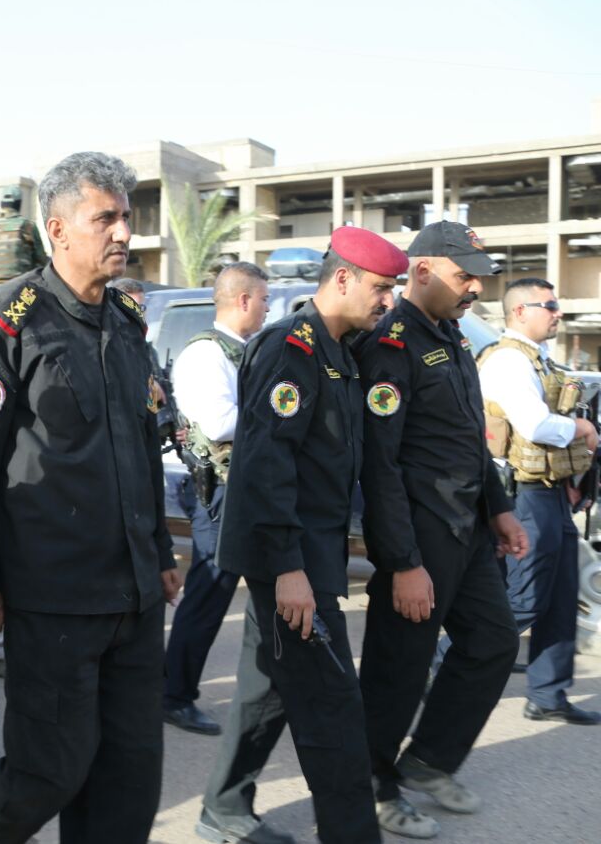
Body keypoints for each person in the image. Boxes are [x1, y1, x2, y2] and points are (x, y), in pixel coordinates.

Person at [0, 151, 181, 844]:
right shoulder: (11, 321)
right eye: (105, 218)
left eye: (126, 217)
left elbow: (141, 446)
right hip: (54, 592)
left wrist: (158, 551)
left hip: (132, 593)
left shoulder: (125, 320)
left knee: (131, 773)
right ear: (57, 229)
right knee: (50, 768)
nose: (122, 231)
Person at [200, 226, 403, 844]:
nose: (388, 300)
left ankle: (223, 808)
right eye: (381, 288)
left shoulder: (339, 350)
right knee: (334, 711)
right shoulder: (291, 348)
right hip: (290, 559)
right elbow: (265, 466)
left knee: (267, 687)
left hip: (310, 552)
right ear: (342, 278)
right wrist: (288, 569)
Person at [355, 221, 530, 839]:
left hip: (468, 526)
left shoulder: (451, 337)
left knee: (494, 643)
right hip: (420, 533)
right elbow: (380, 465)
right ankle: (372, 787)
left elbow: (469, 439)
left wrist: (499, 507)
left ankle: (428, 761)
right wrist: (403, 562)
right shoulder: (390, 344)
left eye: (479, 277)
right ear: (422, 270)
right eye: (464, 276)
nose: (475, 288)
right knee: (398, 670)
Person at [480, 276, 601, 725]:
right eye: (548, 306)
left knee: (561, 598)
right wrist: (582, 430)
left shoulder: (539, 359)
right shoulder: (509, 360)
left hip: (549, 491)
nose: (557, 313)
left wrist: (570, 477)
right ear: (519, 312)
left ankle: (548, 694)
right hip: (523, 495)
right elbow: (534, 425)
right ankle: (442, 661)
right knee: (525, 598)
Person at [162, 262, 270, 736]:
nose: (267, 309)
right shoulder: (206, 354)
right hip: (221, 492)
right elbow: (221, 422)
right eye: (264, 299)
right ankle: (173, 694)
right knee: (208, 594)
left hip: (248, 488)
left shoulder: (243, 350)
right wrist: (280, 412)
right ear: (243, 300)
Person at [0, 184, 48, 284]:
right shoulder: (26, 225)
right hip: (20, 287)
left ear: (1, 203)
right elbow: (41, 259)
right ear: (19, 204)